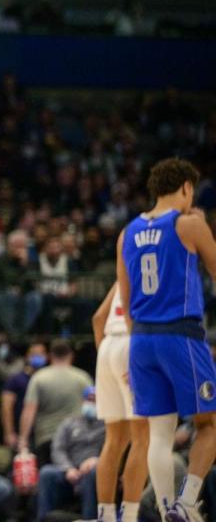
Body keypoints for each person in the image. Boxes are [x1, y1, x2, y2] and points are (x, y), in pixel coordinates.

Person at [118, 159, 216, 522]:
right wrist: (203, 227)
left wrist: (136, 353)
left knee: (159, 433)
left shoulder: (126, 233)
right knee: (209, 425)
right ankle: (187, 503)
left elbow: (125, 299)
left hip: (141, 339)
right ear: (187, 188)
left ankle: (166, 512)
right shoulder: (189, 224)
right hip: (180, 335)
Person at [93, 283, 148, 522]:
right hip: (132, 342)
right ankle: (129, 516)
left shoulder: (121, 273)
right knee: (143, 438)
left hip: (106, 347)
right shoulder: (156, 265)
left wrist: (108, 362)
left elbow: (98, 318)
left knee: (114, 440)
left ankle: (105, 514)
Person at [18, 339, 92, 466]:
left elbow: (29, 410)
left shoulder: (39, 378)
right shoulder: (83, 378)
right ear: (71, 355)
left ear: (50, 356)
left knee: (48, 474)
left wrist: (23, 439)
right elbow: (94, 406)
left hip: (47, 438)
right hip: (76, 436)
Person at [36, 387, 105, 521]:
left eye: (95, 400)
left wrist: (98, 460)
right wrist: (68, 468)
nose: (92, 403)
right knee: (46, 472)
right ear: (83, 401)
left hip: (93, 471)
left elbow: (112, 449)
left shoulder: (108, 426)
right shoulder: (69, 423)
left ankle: (89, 519)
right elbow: (58, 448)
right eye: (89, 400)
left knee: (93, 473)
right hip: (69, 471)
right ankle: (43, 519)